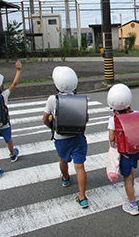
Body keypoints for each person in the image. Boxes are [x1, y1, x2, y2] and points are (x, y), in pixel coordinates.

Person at [42, 66, 89, 208]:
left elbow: (44, 119)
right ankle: (82, 197)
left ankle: (65, 178)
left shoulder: (52, 99)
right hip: (78, 137)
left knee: (63, 159)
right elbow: (85, 119)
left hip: (60, 138)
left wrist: (53, 128)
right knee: (80, 167)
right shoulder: (80, 99)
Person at [107, 83, 139, 216]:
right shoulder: (135, 114)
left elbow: (111, 138)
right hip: (136, 151)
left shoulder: (113, 119)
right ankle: (132, 188)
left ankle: (132, 204)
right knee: (131, 170)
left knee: (126, 177)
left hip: (125, 153)